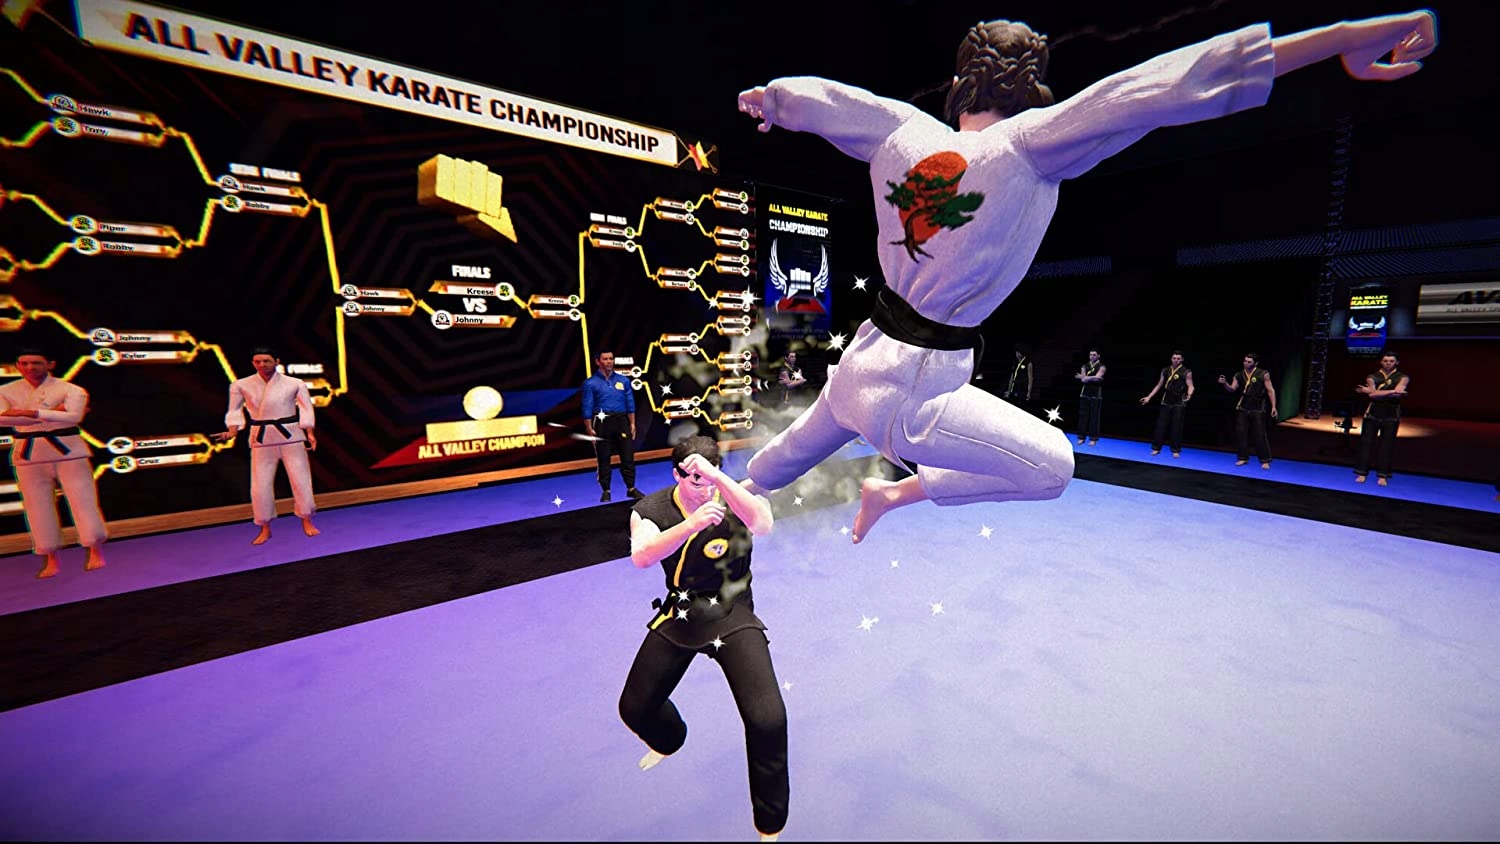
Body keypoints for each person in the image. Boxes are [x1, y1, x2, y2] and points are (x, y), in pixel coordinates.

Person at [735, 11, 1437, 542]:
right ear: (1032, 91)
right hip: (913, 396)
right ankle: (895, 493)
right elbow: (1163, 87)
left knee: (768, 468)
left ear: (958, 85)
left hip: (859, 367)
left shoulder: (902, 131)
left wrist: (774, 99)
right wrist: (1342, 37)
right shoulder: (1029, 145)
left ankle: (723, 494)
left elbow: (829, 100)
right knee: (1052, 468)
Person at [617, 435, 787, 842]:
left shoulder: (733, 495)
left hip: (733, 611)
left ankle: (770, 823)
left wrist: (719, 481)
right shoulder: (651, 509)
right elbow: (642, 557)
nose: (705, 486)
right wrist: (691, 524)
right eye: (696, 478)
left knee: (768, 720)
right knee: (634, 708)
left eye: (711, 474)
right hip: (683, 612)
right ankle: (670, 740)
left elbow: (763, 525)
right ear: (677, 475)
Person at [0, 348, 107, 578]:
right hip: (28, 455)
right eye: (24, 363)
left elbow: (74, 417)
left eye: (36, 363)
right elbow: (1, 419)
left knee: (83, 501)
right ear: (18, 366)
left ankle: (95, 550)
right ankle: (50, 558)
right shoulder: (5, 391)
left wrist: (27, 414)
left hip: (69, 452)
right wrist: (49, 414)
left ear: (50, 364)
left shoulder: (71, 389)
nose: (30, 368)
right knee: (37, 507)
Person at [211, 347, 319, 544]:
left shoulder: (295, 383)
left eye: (266, 361)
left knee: (301, 480)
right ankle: (265, 526)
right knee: (260, 486)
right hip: (261, 438)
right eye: (258, 361)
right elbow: (234, 410)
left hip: (291, 436)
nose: (262, 365)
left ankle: (307, 519)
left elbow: (306, 408)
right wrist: (232, 431)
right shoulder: (241, 385)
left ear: (276, 361)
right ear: (253, 363)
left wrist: (309, 433)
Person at [582, 350, 642, 502]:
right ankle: (606, 490)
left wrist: (632, 423)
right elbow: (587, 406)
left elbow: (630, 403)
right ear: (598, 362)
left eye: (611, 358)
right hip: (602, 423)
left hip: (622, 421)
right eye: (605, 359)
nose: (609, 361)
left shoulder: (624, 380)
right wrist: (589, 428)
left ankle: (631, 488)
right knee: (603, 458)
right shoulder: (590, 383)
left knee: (628, 456)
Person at [1354, 351, 1409, 486]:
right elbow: (1373, 396)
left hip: (1391, 415)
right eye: (1385, 361)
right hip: (1372, 413)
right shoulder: (1373, 376)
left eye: (1391, 361)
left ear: (1397, 362)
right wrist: (1391, 391)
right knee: (1366, 444)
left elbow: (1397, 395)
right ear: (1381, 362)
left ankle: (1383, 475)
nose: (1388, 363)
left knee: (1387, 446)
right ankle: (1362, 473)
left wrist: (1376, 392)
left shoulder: (1403, 377)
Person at [1218, 352, 1277, 469]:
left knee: (1259, 434)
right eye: (1245, 361)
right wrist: (1225, 384)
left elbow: (1270, 390)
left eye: (1249, 362)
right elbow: (1232, 389)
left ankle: (1265, 460)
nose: (1246, 363)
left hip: (1258, 406)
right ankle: (1242, 457)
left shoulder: (1263, 374)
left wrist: (1274, 406)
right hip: (1243, 406)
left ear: (1256, 363)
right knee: (1241, 433)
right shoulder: (1239, 375)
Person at [1140, 350, 1194, 457]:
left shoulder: (1186, 372)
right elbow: (1159, 385)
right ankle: (1156, 448)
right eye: (1174, 358)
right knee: (1161, 426)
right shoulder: (1165, 370)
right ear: (1171, 359)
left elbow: (1191, 385)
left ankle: (1175, 450)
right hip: (1166, 400)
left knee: (1176, 427)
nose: (1176, 360)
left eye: (1178, 358)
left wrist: (1189, 395)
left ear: (1182, 360)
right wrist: (1149, 397)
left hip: (1179, 401)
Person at [1073, 348, 1105, 446]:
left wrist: (1086, 377)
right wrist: (1094, 377)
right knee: (1083, 417)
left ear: (1098, 356)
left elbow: (1097, 379)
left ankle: (1093, 439)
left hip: (1096, 395)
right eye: (1091, 355)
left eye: (1094, 355)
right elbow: (1083, 380)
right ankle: (1081, 437)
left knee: (1094, 418)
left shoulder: (1102, 366)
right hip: (1084, 394)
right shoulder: (1085, 366)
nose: (1092, 356)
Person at [1002, 343, 1034, 410]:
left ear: (1022, 353)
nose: (1017, 354)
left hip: (1022, 390)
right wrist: (1009, 390)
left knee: (1019, 407)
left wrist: (1029, 392)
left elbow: (1030, 379)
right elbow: (1012, 377)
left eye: (1019, 353)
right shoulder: (1015, 362)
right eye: (1016, 352)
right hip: (1013, 389)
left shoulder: (1028, 363)